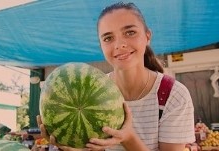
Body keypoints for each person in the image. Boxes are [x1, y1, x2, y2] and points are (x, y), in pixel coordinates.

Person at [37, 1, 195, 151]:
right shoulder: (91, 89)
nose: (119, 44)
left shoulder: (173, 95)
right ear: (101, 46)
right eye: (108, 38)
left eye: (130, 32)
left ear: (147, 36)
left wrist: (128, 138)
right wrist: (74, 144)